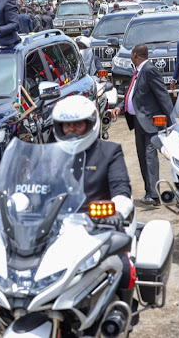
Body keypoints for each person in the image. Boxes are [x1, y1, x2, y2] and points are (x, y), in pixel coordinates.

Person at [51, 95, 135, 306]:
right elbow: (34, 187)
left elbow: (121, 189)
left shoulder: (109, 152)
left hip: (99, 226)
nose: (71, 130)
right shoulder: (51, 155)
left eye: (77, 125)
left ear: (90, 124)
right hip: (57, 228)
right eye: (66, 125)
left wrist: (117, 209)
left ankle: (122, 312)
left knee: (124, 268)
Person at [113, 44, 173, 206]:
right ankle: (149, 192)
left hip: (151, 122)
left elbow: (163, 95)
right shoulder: (138, 71)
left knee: (149, 156)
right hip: (139, 122)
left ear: (135, 55)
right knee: (142, 158)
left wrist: (171, 121)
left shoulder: (149, 70)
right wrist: (119, 107)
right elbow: (131, 93)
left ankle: (154, 195)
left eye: (131, 55)